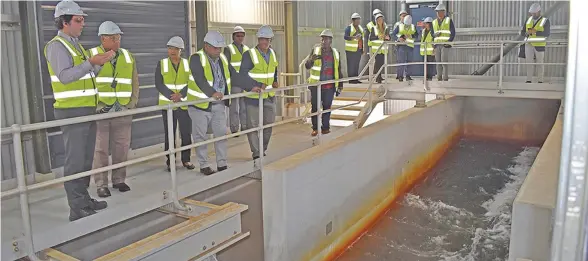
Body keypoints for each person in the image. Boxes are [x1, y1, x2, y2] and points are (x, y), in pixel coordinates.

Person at [44, 0, 110, 221]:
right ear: (64, 22)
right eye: (78, 20)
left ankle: (83, 198)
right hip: (71, 111)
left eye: (82, 20)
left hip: (85, 109)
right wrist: (91, 62)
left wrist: (98, 63)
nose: (82, 24)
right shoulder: (56, 46)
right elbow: (65, 77)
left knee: (84, 159)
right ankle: (76, 207)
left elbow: (84, 75)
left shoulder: (75, 45)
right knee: (75, 161)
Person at [89, 21, 139, 198]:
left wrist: (131, 104)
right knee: (100, 150)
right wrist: (94, 106)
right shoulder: (92, 55)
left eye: (118, 37)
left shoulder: (127, 56)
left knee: (121, 147)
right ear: (103, 39)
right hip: (101, 110)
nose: (118, 41)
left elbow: (134, 82)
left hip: (123, 109)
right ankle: (101, 184)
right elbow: (87, 82)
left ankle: (119, 179)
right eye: (114, 38)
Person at [187, 31, 238, 175]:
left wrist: (252, 85)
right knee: (200, 136)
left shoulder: (222, 58)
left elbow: (233, 75)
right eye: (216, 48)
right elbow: (200, 79)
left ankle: (222, 163)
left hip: (219, 105)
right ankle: (204, 165)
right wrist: (212, 93)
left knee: (221, 134)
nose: (218, 51)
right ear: (206, 46)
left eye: (220, 48)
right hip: (200, 105)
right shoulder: (196, 58)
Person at [238, 25, 279, 160]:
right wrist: (252, 86)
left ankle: (263, 149)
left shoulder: (272, 53)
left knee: (268, 125)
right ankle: (256, 153)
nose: (265, 42)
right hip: (253, 97)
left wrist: (275, 80)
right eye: (262, 39)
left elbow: (274, 69)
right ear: (258, 39)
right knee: (253, 126)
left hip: (269, 96)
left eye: (267, 39)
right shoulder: (249, 54)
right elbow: (242, 75)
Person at [155, 36, 195, 172]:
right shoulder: (162, 64)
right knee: (169, 134)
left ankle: (186, 159)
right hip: (168, 105)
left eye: (175, 49)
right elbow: (159, 83)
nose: (172, 51)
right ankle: (170, 160)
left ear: (181, 50)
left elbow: (191, 82)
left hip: (183, 104)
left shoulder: (187, 64)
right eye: (170, 48)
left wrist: (181, 95)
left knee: (185, 133)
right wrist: (172, 96)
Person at [305, 29, 344, 136]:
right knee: (315, 108)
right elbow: (307, 66)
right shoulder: (315, 50)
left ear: (330, 40)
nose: (323, 41)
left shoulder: (336, 53)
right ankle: (315, 128)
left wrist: (340, 85)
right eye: (322, 39)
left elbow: (338, 69)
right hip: (316, 85)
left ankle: (325, 128)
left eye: (326, 39)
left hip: (329, 86)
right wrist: (311, 60)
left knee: (327, 107)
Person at [224, 26, 250, 134]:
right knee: (234, 107)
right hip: (234, 82)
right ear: (233, 37)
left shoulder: (247, 49)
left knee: (244, 106)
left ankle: (244, 126)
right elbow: (227, 65)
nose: (240, 38)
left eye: (242, 36)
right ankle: (234, 129)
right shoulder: (228, 49)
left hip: (245, 83)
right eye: (238, 36)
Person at [520, 3, 550, 83]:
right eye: (532, 13)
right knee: (529, 62)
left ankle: (540, 80)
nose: (533, 14)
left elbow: (547, 33)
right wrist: (525, 33)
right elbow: (522, 32)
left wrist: (534, 32)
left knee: (540, 63)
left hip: (539, 44)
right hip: (529, 44)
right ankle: (529, 79)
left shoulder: (545, 20)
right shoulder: (528, 20)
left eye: (534, 13)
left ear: (539, 11)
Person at [432, 3, 456, 81]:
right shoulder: (434, 22)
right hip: (436, 45)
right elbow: (431, 34)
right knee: (438, 63)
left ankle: (445, 78)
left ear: (443, 12)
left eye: (439, 12)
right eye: (437, 12)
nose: (438, 13)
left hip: (445, 45)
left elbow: (453, 32)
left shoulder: (448, 20)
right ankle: (439, 78)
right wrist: (434, 35)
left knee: (444, 62)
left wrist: (449, 42)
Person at [392, 15, 418, 82]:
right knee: (401, 61)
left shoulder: (413, 26)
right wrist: (399, 38)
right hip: (401, 46)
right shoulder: (399, 26)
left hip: (410, 46)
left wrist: (411, 35)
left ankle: (408, 76)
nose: (407, 25)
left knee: (409, 62)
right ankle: (400, 76)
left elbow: (417, 35)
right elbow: (393, 34)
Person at [368, 13, 390, 83]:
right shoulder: (373, 28)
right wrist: (378, 37)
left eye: (381, 19)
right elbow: (371, 38)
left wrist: (388, 38)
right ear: (376, 21)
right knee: (378, 63)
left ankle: (378, 76)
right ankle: (377, 77)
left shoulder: (386, 28)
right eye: (379, 20)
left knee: (381, 63)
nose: (380, 21)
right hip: (377, 49)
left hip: (383, 49)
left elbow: (388, 37)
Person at [344, 13, 364, 84]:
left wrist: (362, 49)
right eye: (357, 20)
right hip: (350, 50)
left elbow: (362, 39)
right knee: (351, 66)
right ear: (353, 20)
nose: (358, 21)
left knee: (356, 65)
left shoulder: (360, 28)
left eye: (359, 20)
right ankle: (351, 80)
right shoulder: (349, 28)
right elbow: (345, 37)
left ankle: (356, 79)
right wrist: (354, 38)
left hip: (358, 49)